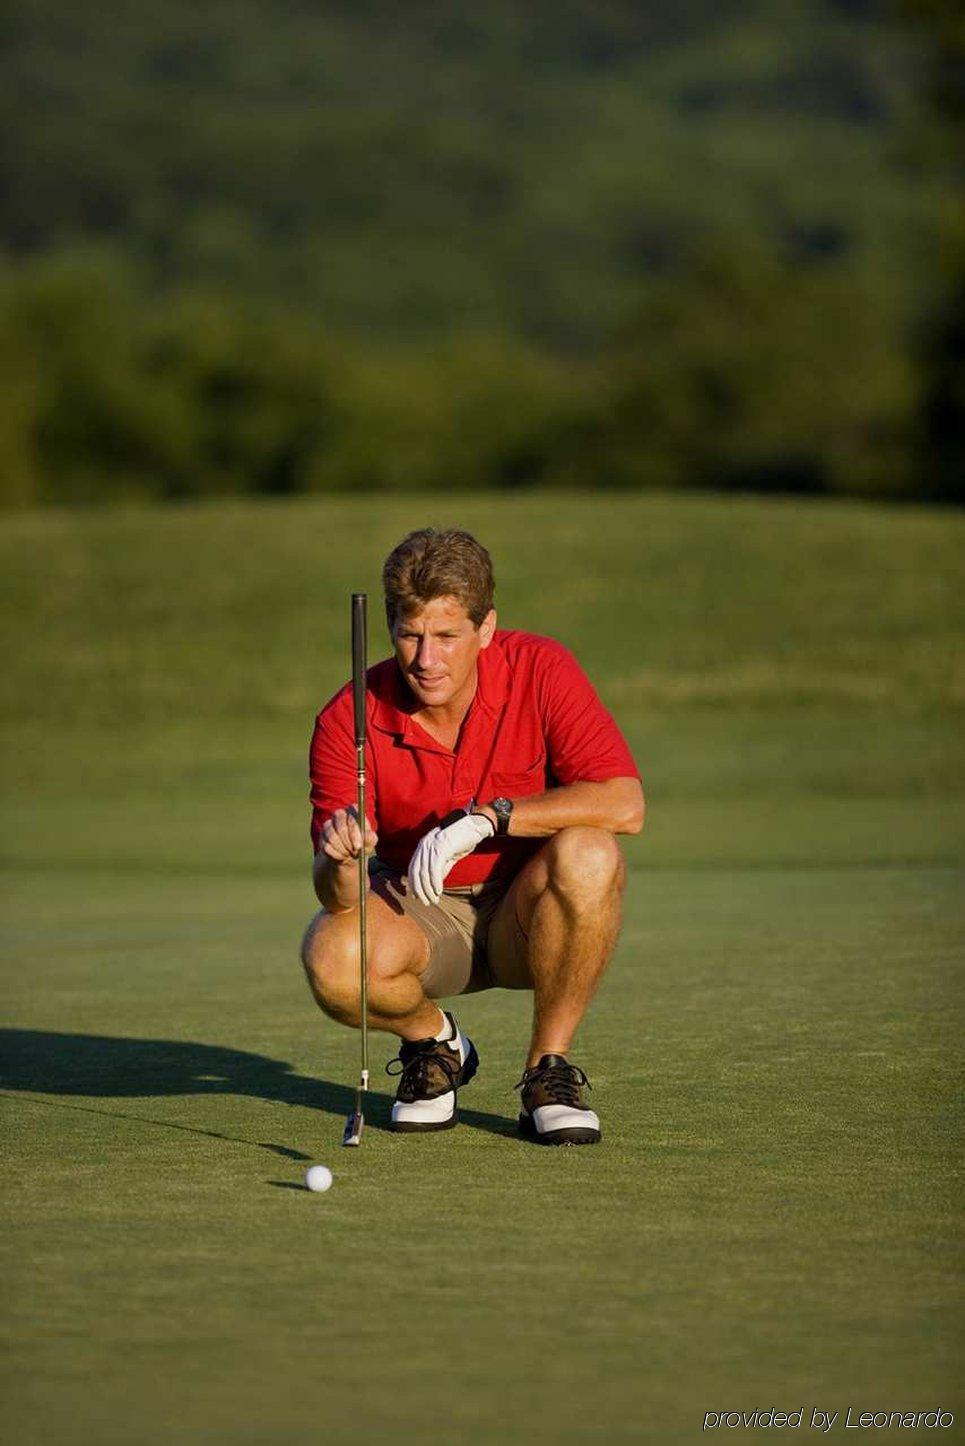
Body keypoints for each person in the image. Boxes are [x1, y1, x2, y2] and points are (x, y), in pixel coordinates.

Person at [300, 528, 643, 1146]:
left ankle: (548, 1071)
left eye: (447, 636)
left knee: (591, 850)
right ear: (389, 628)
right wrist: (342, 858)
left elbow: (625, 802)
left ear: (486, 629)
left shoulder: (541, 667)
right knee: (331, 958)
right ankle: (434, 1045)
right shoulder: (346, 717)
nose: (425, 659)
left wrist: (491, 817)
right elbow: (339, 900)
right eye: (410, 634)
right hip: (421, 914)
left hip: (526, 910)